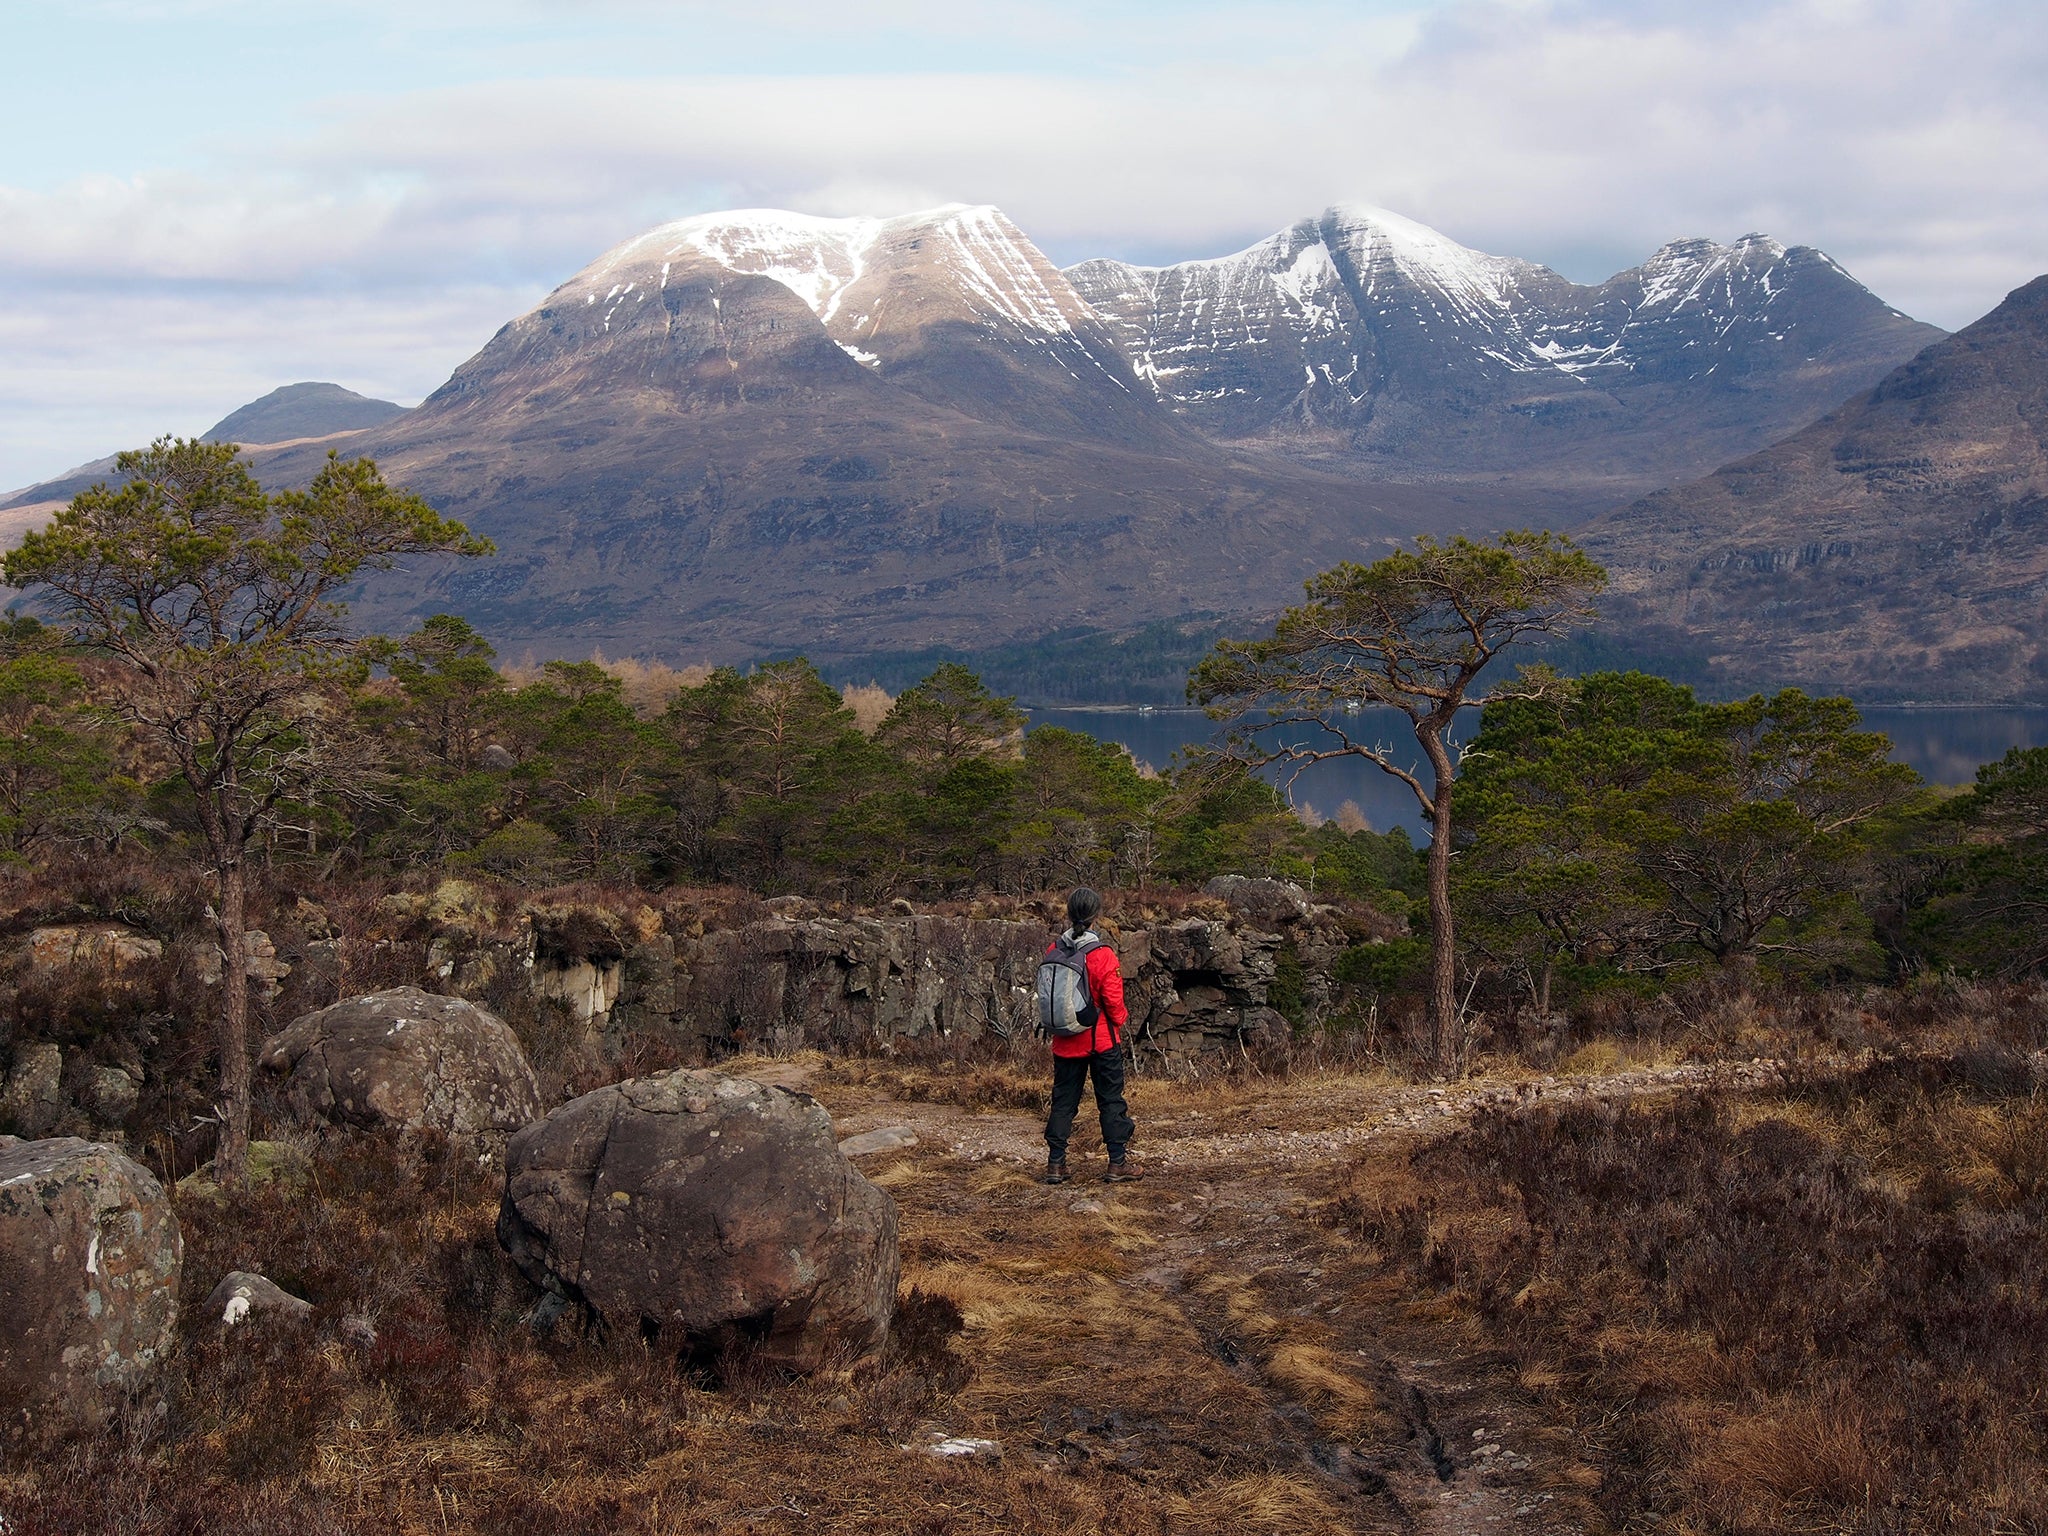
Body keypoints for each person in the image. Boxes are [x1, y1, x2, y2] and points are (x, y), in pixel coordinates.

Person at [1042, 886, 1139, 1185]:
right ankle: (1117, 1163)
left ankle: (1056, 1164)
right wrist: (1121, 1021)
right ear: (1096, 917)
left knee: (1063, 1102)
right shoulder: (1102, 955)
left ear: (1070, 914)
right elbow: (1113, 1001)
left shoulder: (1053, 949)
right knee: (1110, 1101)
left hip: (1064, 1041)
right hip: (1101, 1042)